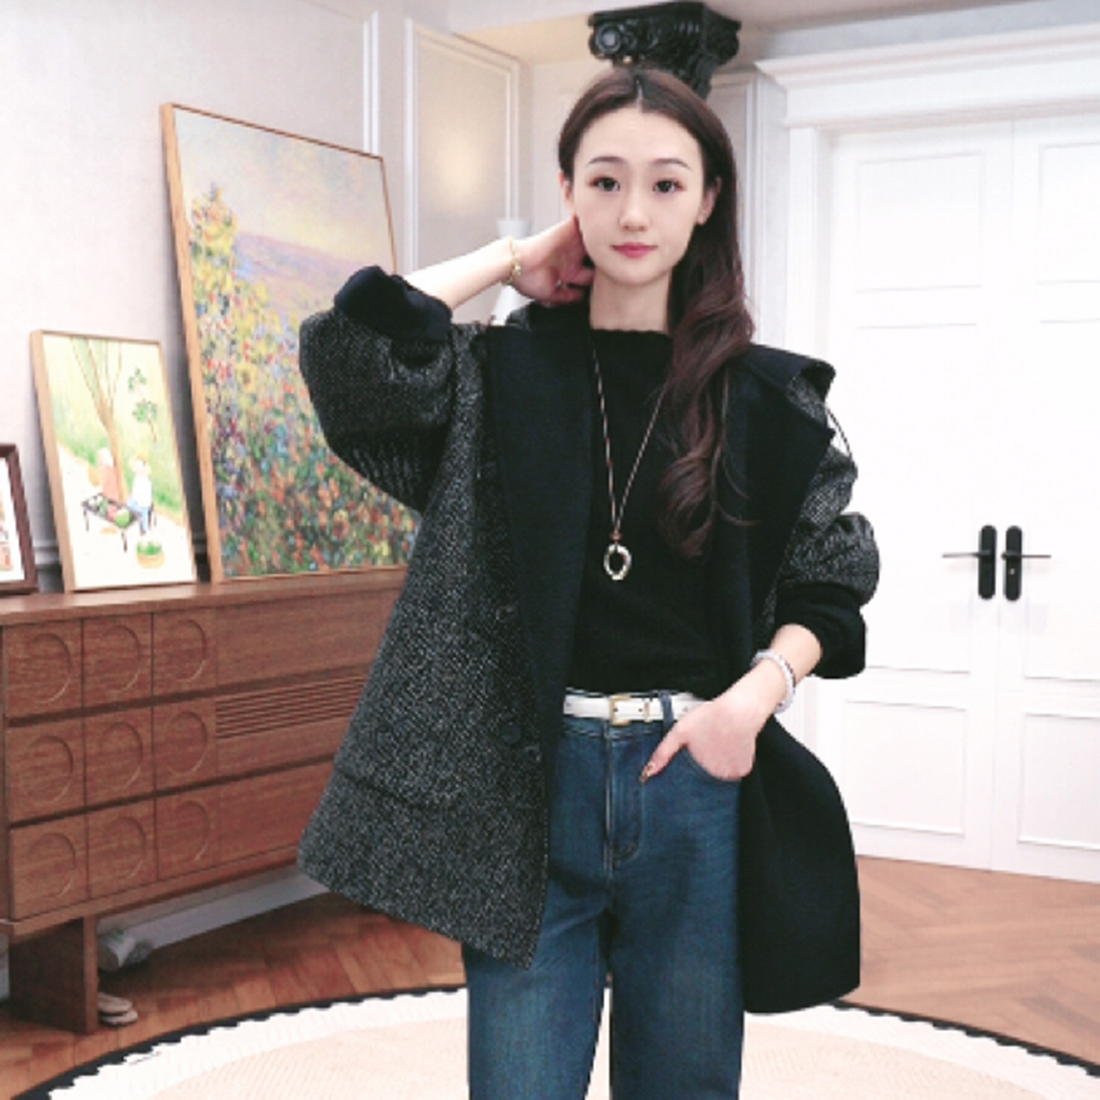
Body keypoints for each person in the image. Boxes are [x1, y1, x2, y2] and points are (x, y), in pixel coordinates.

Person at [298, 66, 878, 1099]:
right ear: (567, 191)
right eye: (605, 181)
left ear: (707, 199)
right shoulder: (497, 377)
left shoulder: (763, 398)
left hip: (691, 777)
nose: (633, 212)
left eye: (665, 183)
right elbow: (353, 353)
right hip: (530, 785)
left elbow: (830, 587)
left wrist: (748, 704)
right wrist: (511, 258)